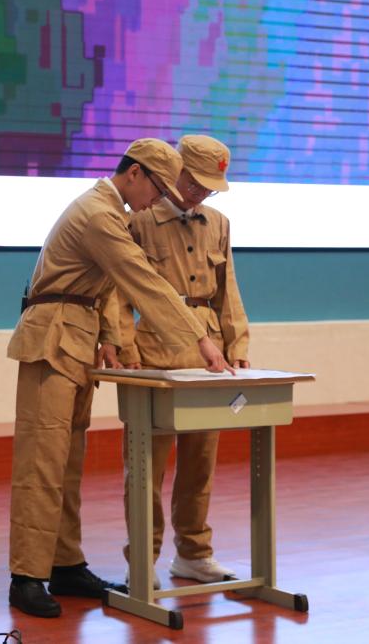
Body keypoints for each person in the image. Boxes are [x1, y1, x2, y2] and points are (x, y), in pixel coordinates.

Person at [5, 138, 234, 618]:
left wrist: (110, 335)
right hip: (52, 338)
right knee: (42, 463)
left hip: (75, 337)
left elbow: (105, 286)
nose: (158, 200)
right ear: (135, 173)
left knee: (67, 462)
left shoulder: (112, 212)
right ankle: (26, 576)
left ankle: (65, 563)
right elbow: (140, 281)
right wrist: (200, 339)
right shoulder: (99, 214)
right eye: (158, 188)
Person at [117, 134, 249, 586]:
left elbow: (228, 289)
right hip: (153, 355)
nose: (201, 194)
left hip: (209, 358)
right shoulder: (140, 219)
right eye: (195, 184)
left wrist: (238, 345)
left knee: (200, 462)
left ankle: (193, 553)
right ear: (176, 173)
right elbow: (117, 292)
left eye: (210, 188)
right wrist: (125, 348)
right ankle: (142, 559)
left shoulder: (219, 224)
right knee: (145, 465)